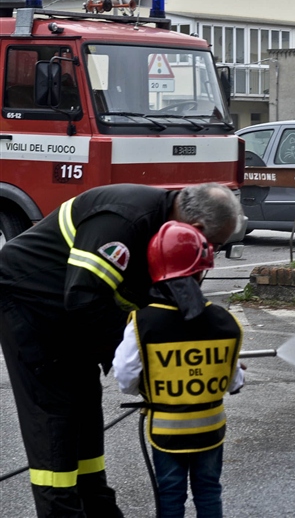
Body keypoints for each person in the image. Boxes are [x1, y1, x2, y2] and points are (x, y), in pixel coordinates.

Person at [0, 182, 242, 518]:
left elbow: (156, 308)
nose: (209, 254)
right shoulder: (126, 221)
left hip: (73, 313)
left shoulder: (169, 236)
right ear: (198, 229)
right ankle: (62, 512)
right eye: (213, 245)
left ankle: (98, 508)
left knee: (85, 406)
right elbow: (84, 298)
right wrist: (146, 356)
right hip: (31, 304)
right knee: (56, 414)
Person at [113, 221, 244, 518]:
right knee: (209, 490)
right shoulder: (225, 321)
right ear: (200, 270)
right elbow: (234, 382)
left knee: (171, 494)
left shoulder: (143, 322)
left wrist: (148, 388)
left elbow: (125, 375)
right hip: (211, 431)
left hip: (167, 433)